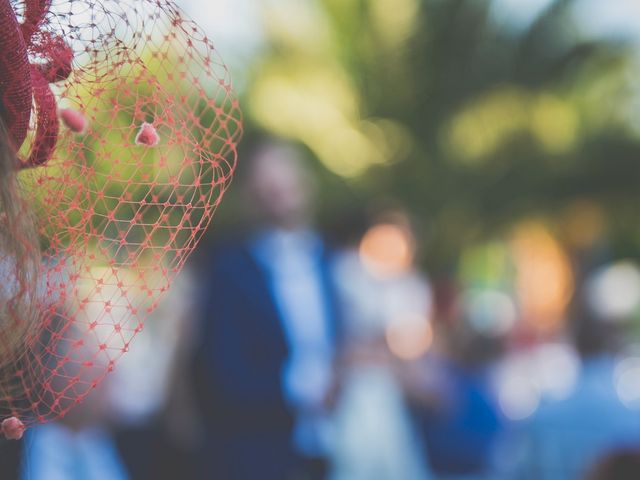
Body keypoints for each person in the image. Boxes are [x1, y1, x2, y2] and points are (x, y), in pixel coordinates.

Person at [191, 140, 341, 480]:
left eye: (286, 180)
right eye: (268, 184)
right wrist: (303, 387)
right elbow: (221, 375)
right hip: (257, 455)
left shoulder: (330, 261)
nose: (279, 192)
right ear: (251, 195)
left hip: (328, 450)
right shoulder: (229, 271)